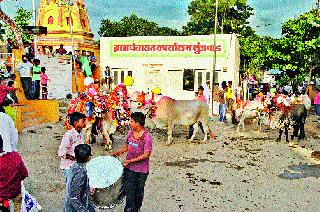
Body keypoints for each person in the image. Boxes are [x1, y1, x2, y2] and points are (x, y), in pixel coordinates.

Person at [110, 112, 153, 212]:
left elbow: (146, 155)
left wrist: (130, 161)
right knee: (129, 191)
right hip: (129, 169)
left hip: (141, 171)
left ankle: (136, 208)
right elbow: (127, 147)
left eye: (132, 121)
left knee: (138, 192)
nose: (130, 123)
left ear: (137, 123)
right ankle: (129, 209)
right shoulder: (130, 133)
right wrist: (117, 152)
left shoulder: (147, 137)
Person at [62, 144, 95, 212]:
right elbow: (73, 197)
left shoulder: (75, 166)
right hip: (75, 208)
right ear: (88, 157)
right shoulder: (80, 172)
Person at [0, 135, 29, 212]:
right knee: (17, 204)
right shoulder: (15, 156)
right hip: (15, 191)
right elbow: (24, 173)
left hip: (2, 196)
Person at [58, 112, 86, 178]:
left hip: (78, 165)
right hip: (69, 167)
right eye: (83, 121)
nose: (85, 123)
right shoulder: (68, 135)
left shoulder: (81, 133)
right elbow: (61, 153)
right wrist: (76, 159)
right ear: (76, 123)